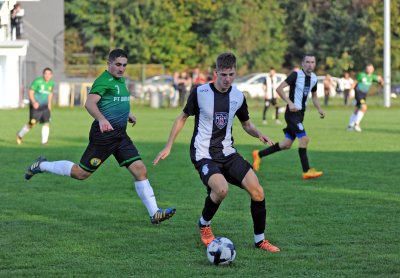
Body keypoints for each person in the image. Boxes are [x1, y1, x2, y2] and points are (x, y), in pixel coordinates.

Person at [24, 49, 176, 224]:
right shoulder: (103, 80)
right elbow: (89, 103)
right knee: (81, 173)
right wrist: (102, 119)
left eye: (124, 65)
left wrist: (128, 113)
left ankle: (155, 213)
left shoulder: (120, 81)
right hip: (103, 136)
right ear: (109, 63)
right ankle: (41, 165)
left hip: (120, 135)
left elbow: (114, 102)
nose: (121, 68)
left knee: (140, 170)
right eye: (118, 64)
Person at [153, 52, 280, 252]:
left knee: (258, 191)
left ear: (235, 72)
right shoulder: (200, 92)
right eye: (223, 75)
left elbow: (246, 124)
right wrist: (168, 145)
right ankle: (204, 224)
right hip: (203, 153)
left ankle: (260, 240)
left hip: (228, 153)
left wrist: (259, 134)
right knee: (221, 190)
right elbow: (182, 118)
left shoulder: (238, 96)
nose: (227, 79)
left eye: (231, 74)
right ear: (215, 72)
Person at [252, 53, 325, 179]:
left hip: (300, 114)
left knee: (286, 144)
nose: (310, 64)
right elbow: (279, 89)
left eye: (312, 62)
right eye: (307, 62)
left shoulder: (313, 78)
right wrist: (290, 103)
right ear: (303, 63)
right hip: (292, 114)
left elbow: (314, 96)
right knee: (304, 139)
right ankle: (306, 171)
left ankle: (258, 154)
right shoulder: (296, 75)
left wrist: (319, 109)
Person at [16, 68, 54, 145]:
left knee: (46, 122)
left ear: (51, 75)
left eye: (49, 74)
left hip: (45, 106)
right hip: (36, 106)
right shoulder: (37, 81)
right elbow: (31, 91)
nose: (47, 75)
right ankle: (20, 135)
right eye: (45, 73)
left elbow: (50, 94)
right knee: (32, 123)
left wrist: (49, 105)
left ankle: (44, 142)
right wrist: (34, 102)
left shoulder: (51, 83)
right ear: (43, 74)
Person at [347, 64, 383, 132]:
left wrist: (381, 80)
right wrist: (350, 91)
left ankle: (350, 126)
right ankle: (356, 124)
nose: (368, 70)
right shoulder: (362, 75)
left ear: (373, 70)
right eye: (367, 68)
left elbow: (380, 82)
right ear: (366, 69)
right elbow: (355, 82)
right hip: (358, 92)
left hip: (364, 94)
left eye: (370, 68)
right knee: (364, 107)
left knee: (357, 109)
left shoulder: (373, 77)